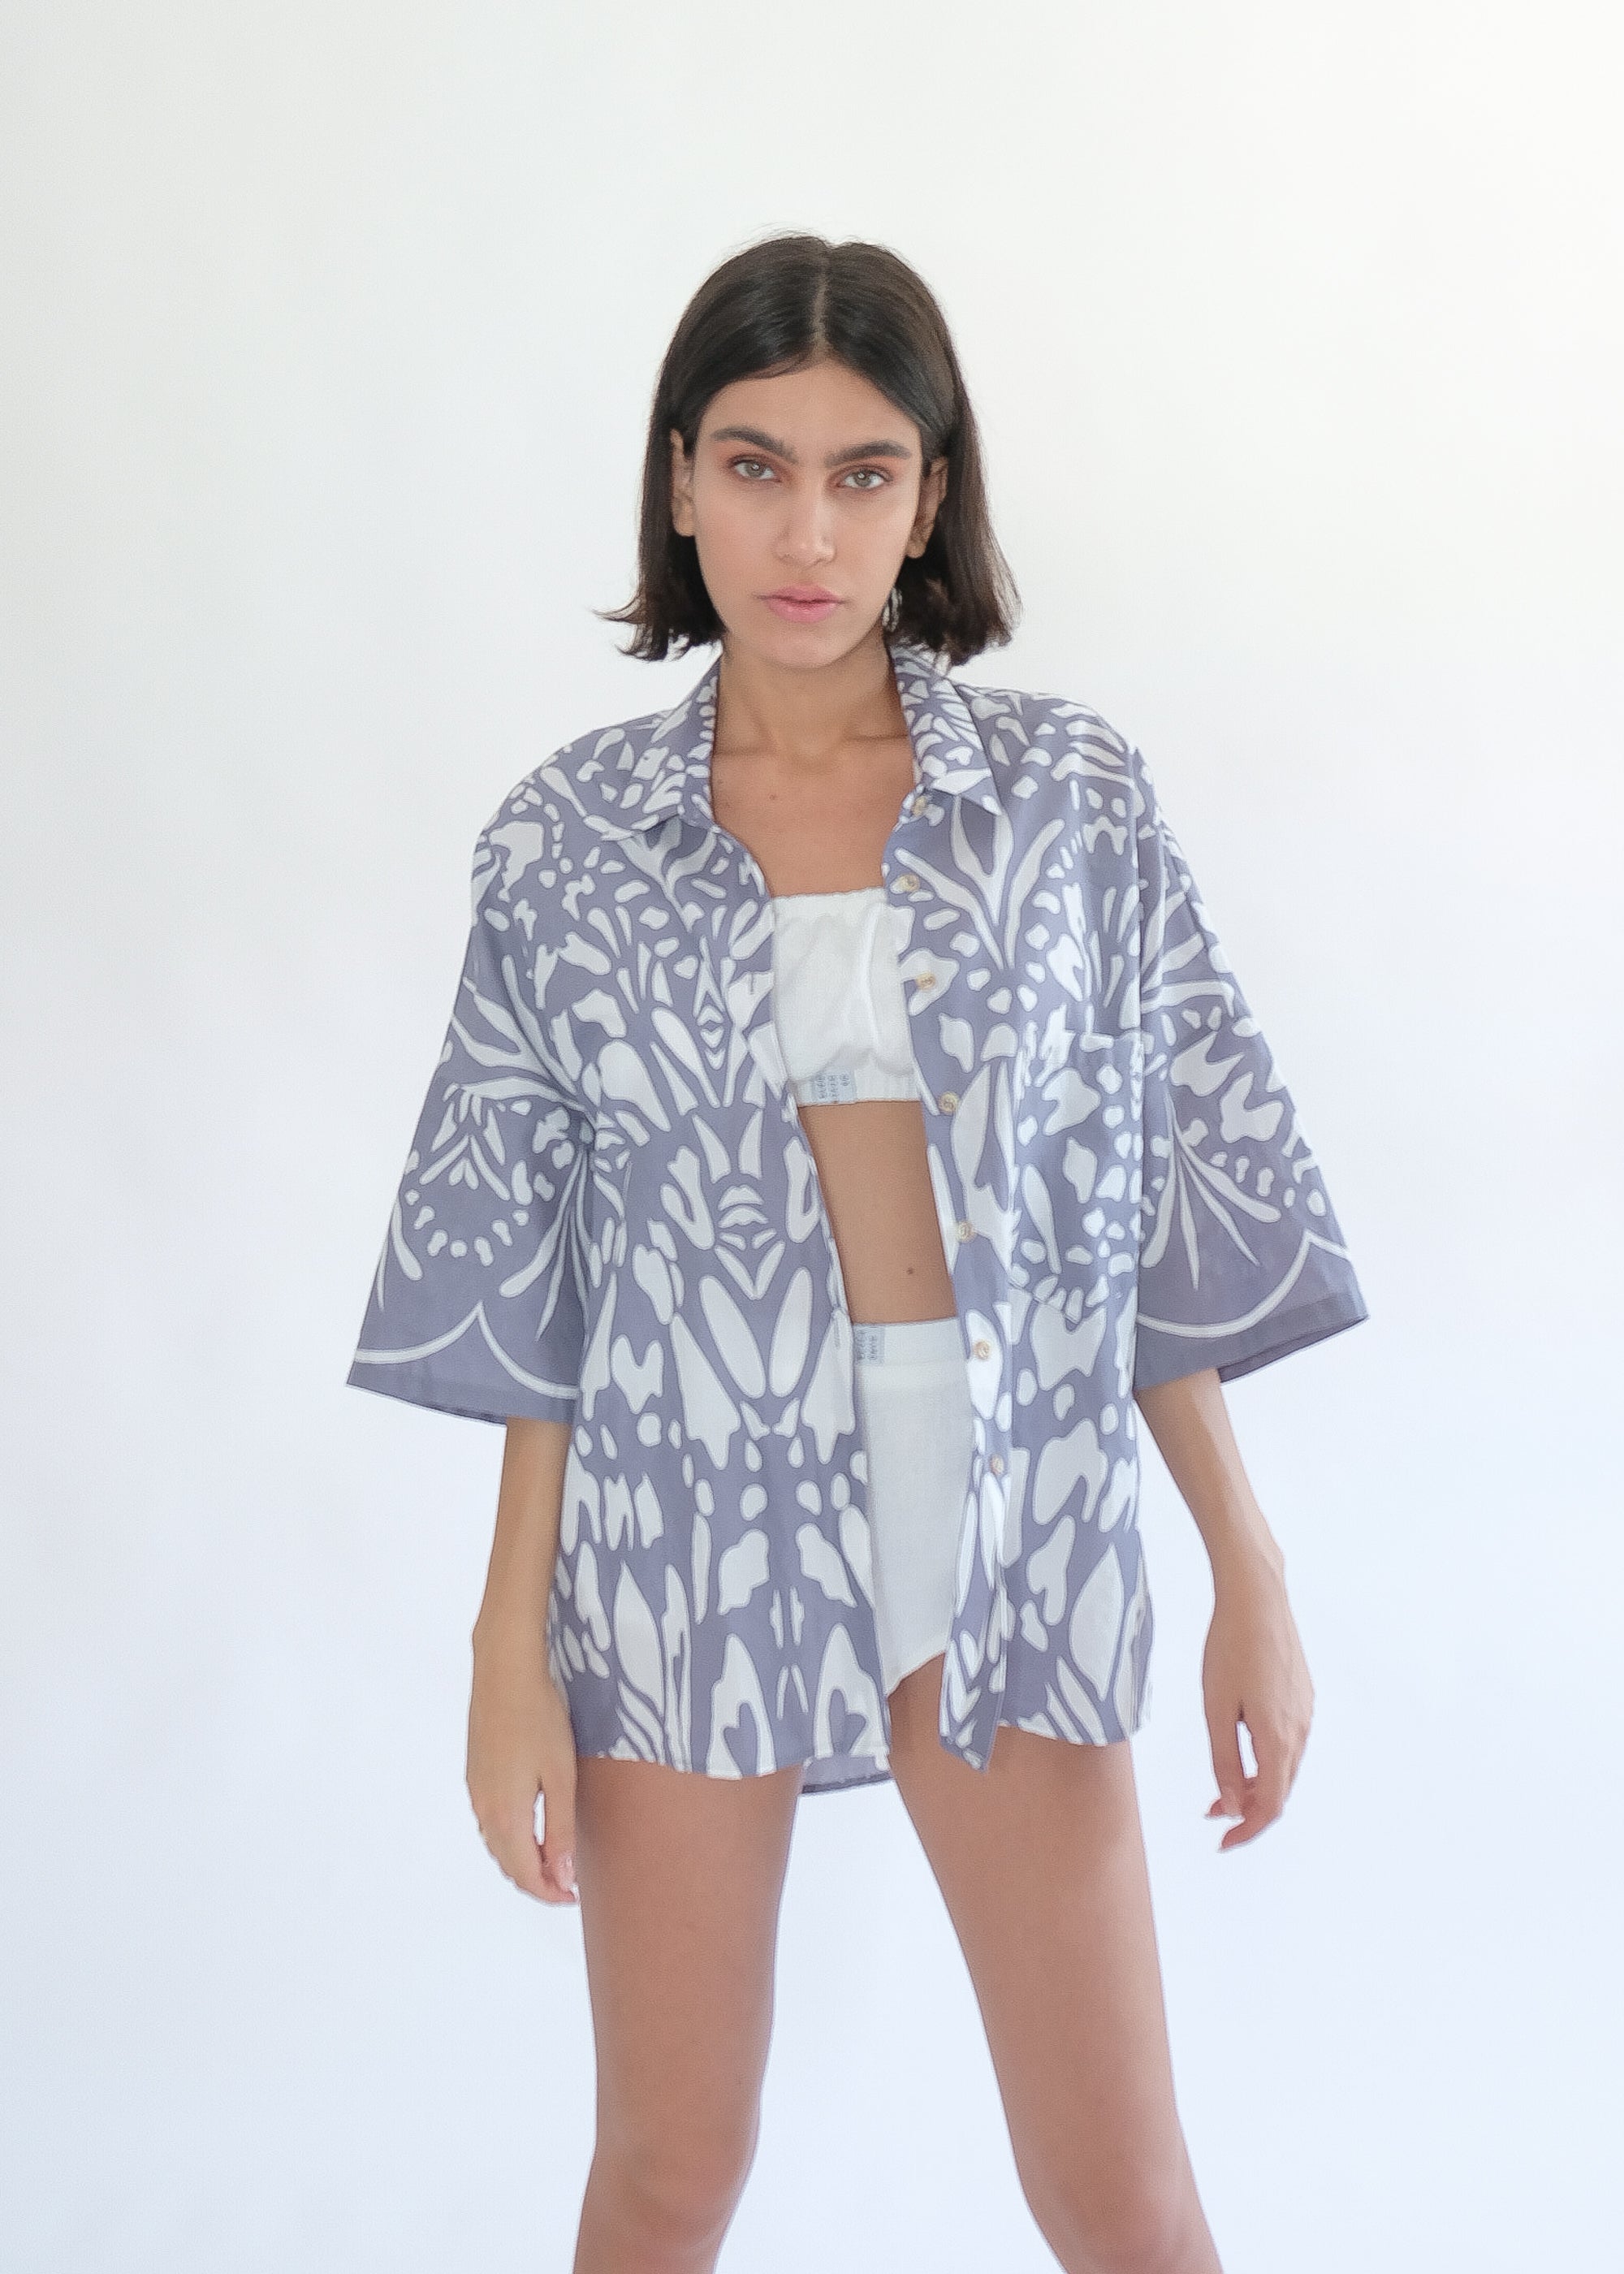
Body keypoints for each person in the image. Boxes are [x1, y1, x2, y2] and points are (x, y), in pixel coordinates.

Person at [347, 231, 1369, 2274]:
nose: (805, 532)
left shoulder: (1068, 800)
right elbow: (540, 1289)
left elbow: (1143, 1196)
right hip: (682, 1535)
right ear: (677, 479)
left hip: (1012, 1520)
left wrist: (1244, 1563)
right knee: (667, 2172)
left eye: (861, 472)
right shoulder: (563, 847)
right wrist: (503, 1647)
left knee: (1123, 2193)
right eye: (753, 466)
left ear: (930, 496)